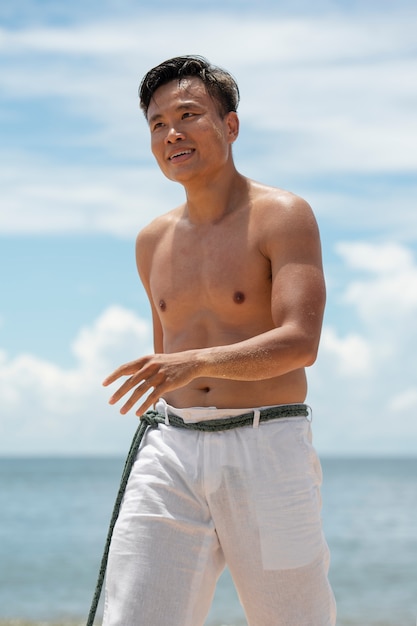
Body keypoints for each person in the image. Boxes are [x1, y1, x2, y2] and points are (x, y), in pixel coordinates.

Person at [101, 55, 336, 625]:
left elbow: (301, 341)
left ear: (230, 125)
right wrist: (173, 378)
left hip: (267, 444)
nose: (171, 133)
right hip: (172, 449)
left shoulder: (281, 215)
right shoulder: (150, 241)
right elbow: (166, 361)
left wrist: (194, 362)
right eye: (157, 124)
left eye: (189, 115)